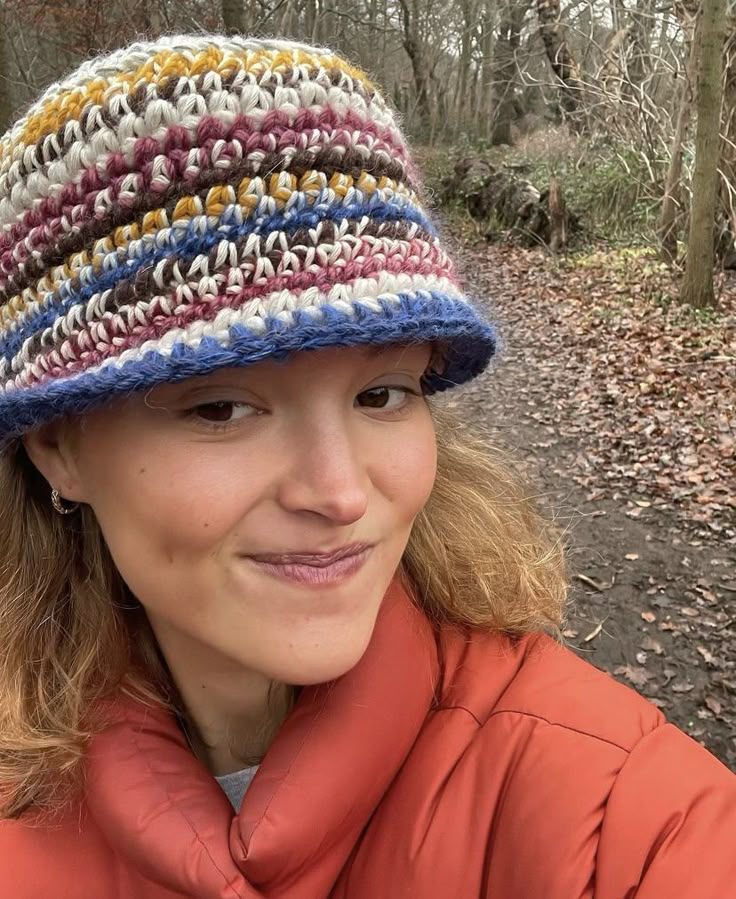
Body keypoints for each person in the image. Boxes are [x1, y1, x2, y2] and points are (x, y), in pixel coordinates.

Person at [0, 32, 733, 899]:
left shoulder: (619, 817)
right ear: (57, 442)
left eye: (382, 395)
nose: (342, 493)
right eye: (221, 407)